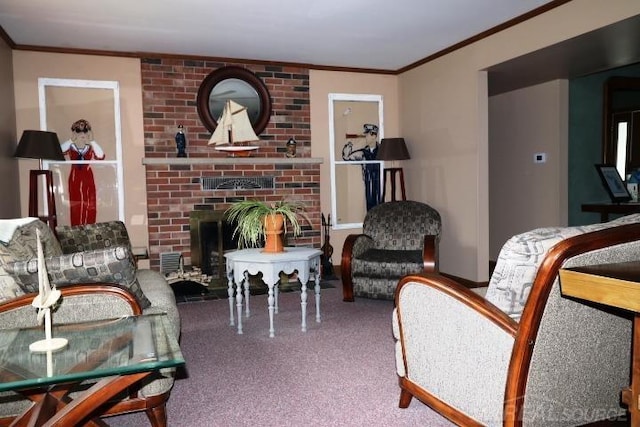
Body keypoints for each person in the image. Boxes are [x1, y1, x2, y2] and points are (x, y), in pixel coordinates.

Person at [60, 119, 105, 225]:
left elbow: (100, 156)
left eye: (85, 131)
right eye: (79, 131)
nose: (82, 134)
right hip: (75, 177)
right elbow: (59, 151)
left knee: (90, 204)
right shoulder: (71, 147)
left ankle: (89, 228)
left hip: (88, 177)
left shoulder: (90, 148)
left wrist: (93, 141)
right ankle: (76, 229)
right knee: (76, 205)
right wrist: (71, 140)